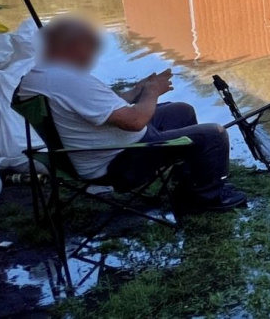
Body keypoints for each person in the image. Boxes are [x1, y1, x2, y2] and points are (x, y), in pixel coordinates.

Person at [17, 16, 247, 213]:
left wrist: (138, 90)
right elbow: (135, 121)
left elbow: (103, 106)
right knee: (214, 135)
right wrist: (152, 93)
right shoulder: (67, 79)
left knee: (181, 111)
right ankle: (203, 199)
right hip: (118, 161)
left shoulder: (42, 76)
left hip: (103, 147)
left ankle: (190, 184)